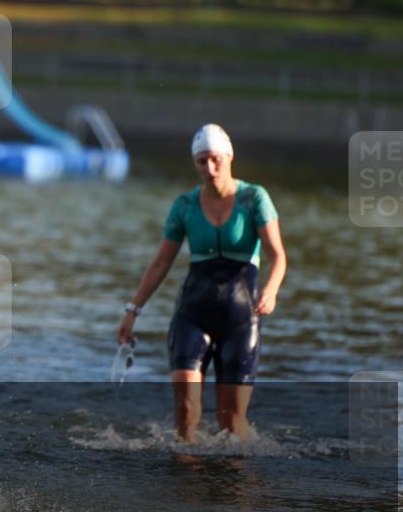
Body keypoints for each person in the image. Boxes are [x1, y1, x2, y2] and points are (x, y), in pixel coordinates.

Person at [117, 124, 287, 442]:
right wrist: (132, 310)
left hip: (241, 319)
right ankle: (186, 481)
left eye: (215, 159)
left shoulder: (254, 199)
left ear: (229, 156)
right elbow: (160, 263)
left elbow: (278, 256)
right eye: (201, 161)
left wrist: (272, 290)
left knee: (232, 424)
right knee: (184, 416)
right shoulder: (185, 206)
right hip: (192, 314)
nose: (209, 168)